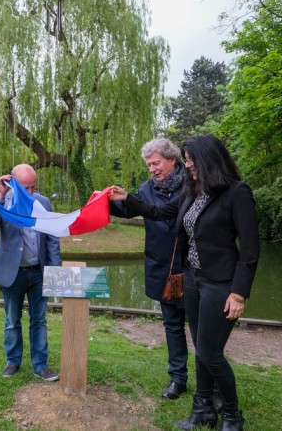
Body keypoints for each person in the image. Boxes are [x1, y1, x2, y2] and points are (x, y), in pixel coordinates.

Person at [110, 135, 259, 431]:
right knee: (200, 347)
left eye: (190, 159)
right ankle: (202, 408)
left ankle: (231, 414)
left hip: (219, 282)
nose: (188, 164)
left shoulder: (237, 193)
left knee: (208, 351)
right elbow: (156, 212)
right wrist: (125, 199)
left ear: (207, 159)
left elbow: (251, 249)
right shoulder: (193, 190)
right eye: (186, 159)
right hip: (192, 278)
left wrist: (239, 293)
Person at [108, 137, 189, 400]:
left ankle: (211, 383)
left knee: (201, 329)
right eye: (149, 165)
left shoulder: (192, 184)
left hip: (191, 267)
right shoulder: (146, 188)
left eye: (156, 163)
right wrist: (106, 202)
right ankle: (178, 379)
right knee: (172, 325)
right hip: (162, 267)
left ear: (172, 159)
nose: (152, 169)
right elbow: (128, 209)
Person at [0, 164, 62, 382]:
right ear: (13, 183)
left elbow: (52, 237)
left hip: (38, 273)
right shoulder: (2, 202)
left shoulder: (43, 202)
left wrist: (54, 270)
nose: (30, 193)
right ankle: (13, 361)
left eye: (33, 187)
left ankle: (41, 365)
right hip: (13, 273)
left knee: (39, 320)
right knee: (12, 320)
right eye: (25, 188)